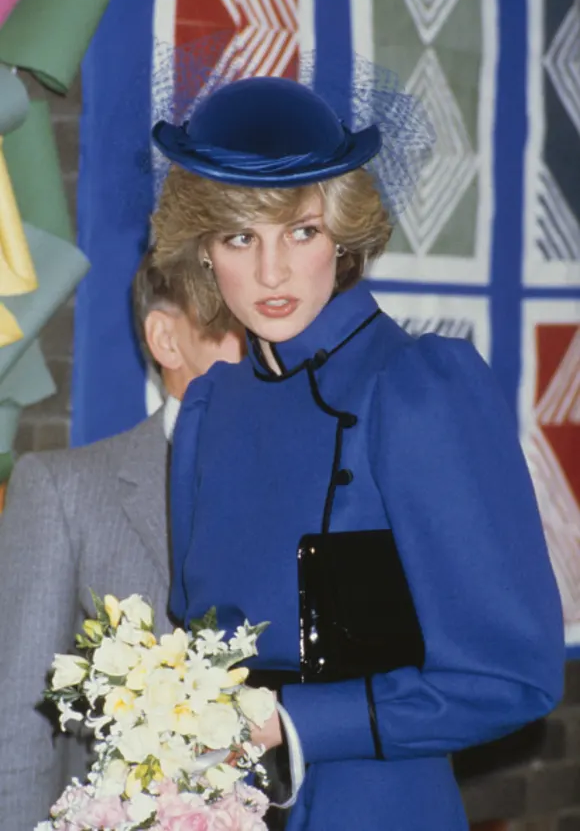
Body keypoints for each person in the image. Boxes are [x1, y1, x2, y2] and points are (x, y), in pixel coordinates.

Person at [152, 76, 565, 830]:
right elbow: (196, 642)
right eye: (241, 238)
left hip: (379, 808)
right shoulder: (212, 410)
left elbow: (513, 677)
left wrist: (297, 723)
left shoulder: (416, 388)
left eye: (300, 233)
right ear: (205, 253)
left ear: (340, 235)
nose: (272, 273)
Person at [0, 248, 244, 831]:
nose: (266, 345)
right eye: (236, 321)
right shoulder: (64, 491)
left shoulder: (326, 482)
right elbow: (16, 734)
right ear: (166, 339)